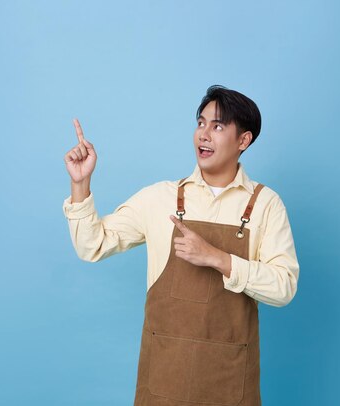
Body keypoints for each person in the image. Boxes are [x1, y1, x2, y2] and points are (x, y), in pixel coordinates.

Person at [62, 85, 300, 406]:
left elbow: (284, 287)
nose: (204, 134)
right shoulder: (159, 198)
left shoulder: (266, 205)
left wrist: (217, 258)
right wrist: (80, 183)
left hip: (229, 385)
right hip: (165, 380)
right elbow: (92, 245)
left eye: (217, 126)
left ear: (243, 140)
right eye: (200, 123)